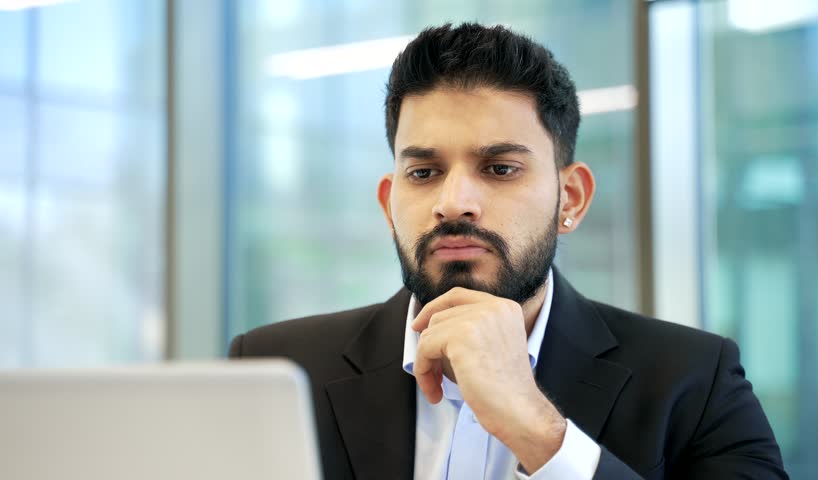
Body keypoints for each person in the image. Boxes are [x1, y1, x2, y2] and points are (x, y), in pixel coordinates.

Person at [228, 23, 787, 480]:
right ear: (389, 202)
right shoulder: (276, 367)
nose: (454, 203)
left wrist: (539, 431)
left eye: (499, 169)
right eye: (423, 172)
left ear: (570, 197)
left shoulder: (695, 381)